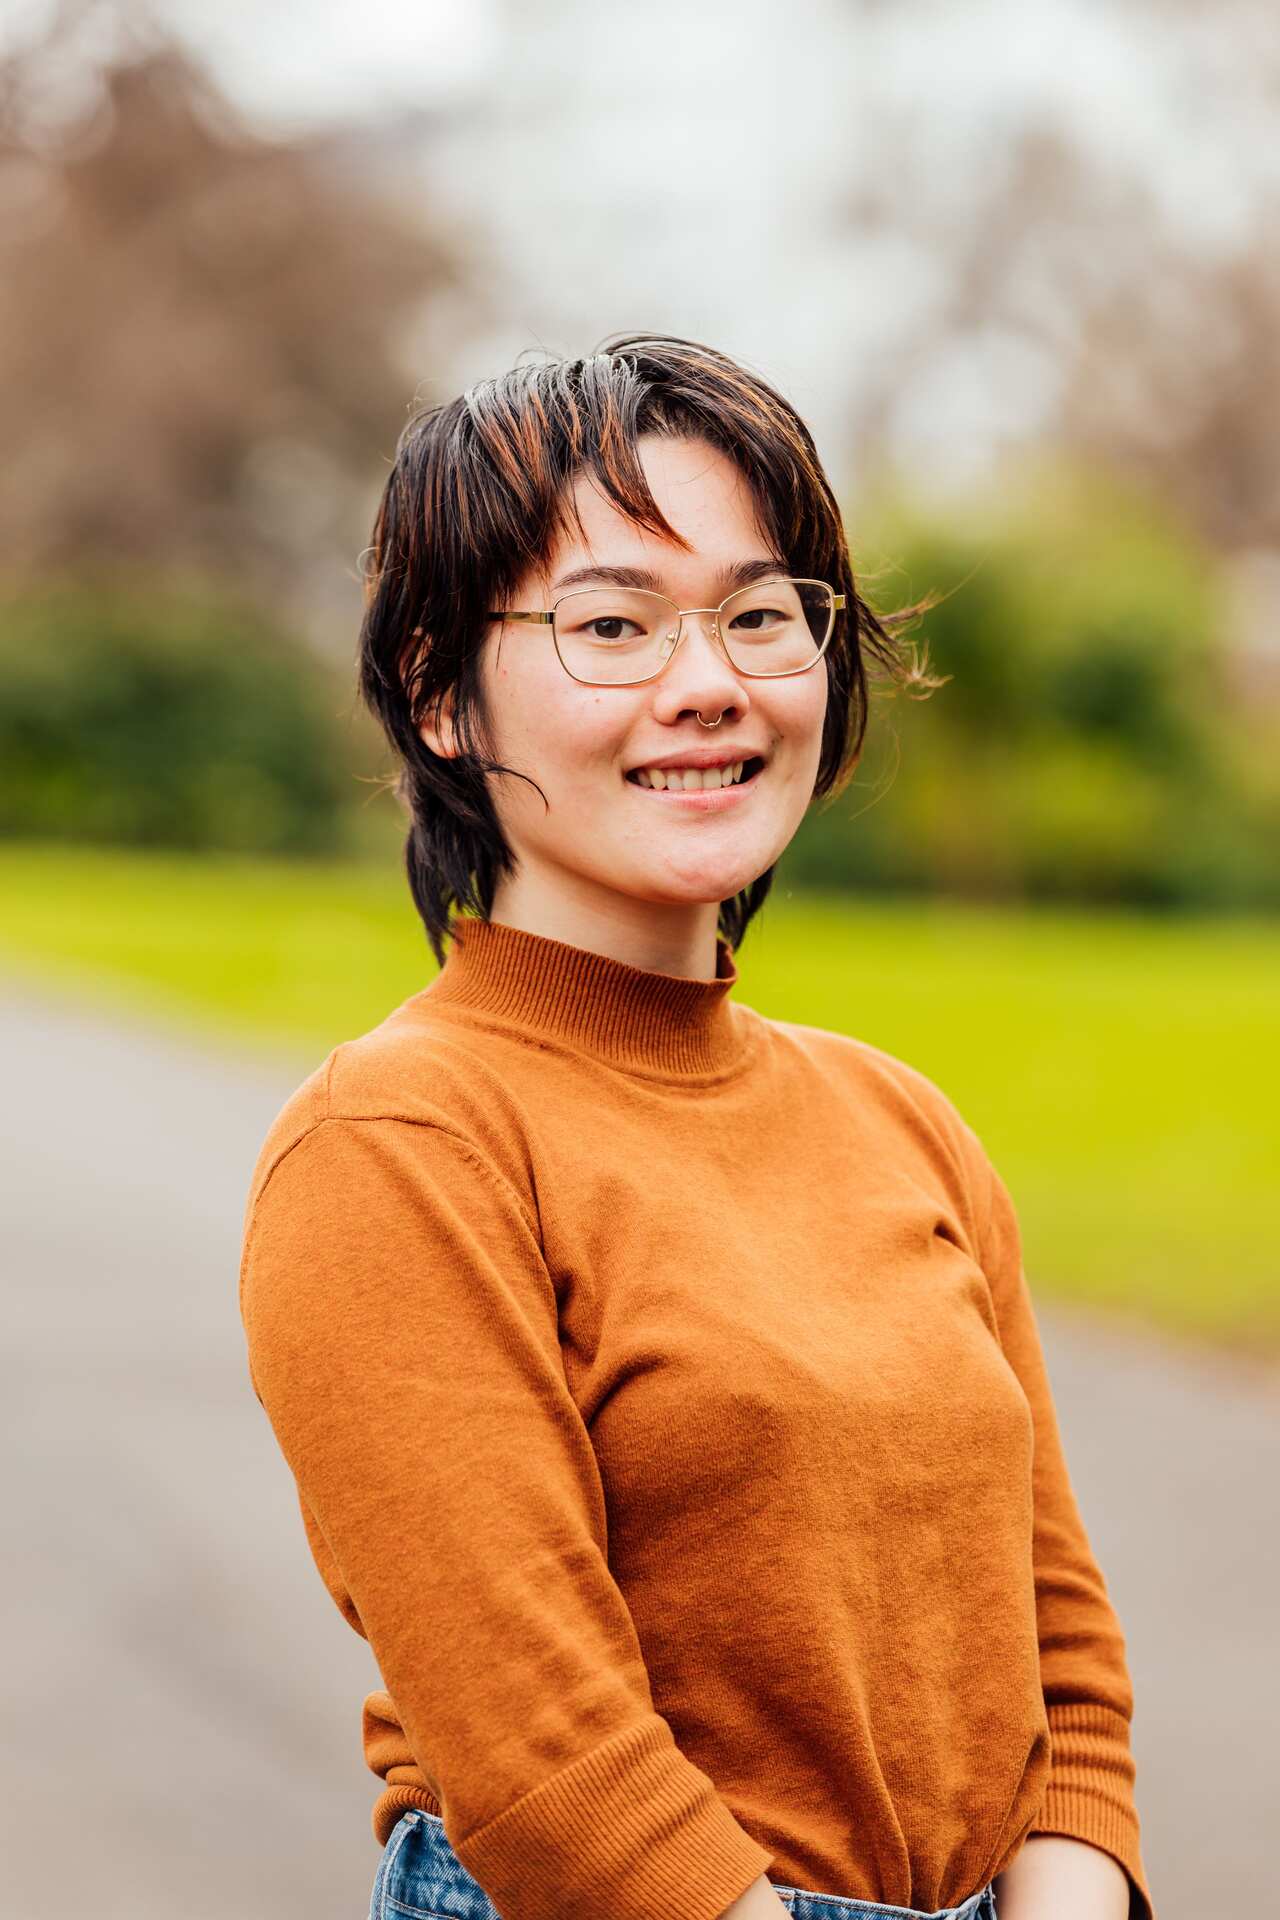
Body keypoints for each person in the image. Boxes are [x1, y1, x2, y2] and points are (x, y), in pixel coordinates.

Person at [238, 333, 1154, 1920]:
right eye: (612, 624)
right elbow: (551, 1769)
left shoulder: (901, 1120)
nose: (709, 681)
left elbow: (1058, 1656)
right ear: (440, 693)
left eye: (759, 613)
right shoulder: (396, 1145)